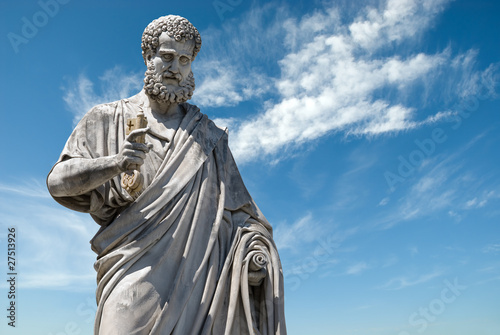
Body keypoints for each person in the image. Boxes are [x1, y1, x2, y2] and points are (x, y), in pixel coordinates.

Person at [47, 15, 286, 335]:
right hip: (132, 272)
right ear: (149, 57)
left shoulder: (209, 138)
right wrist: (115, 163)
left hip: (201, 286)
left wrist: (254, 253)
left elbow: (246, 215)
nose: (176, 67)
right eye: (168, 56)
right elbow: (58, 182)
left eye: (185, 60)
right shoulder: (107, 117)